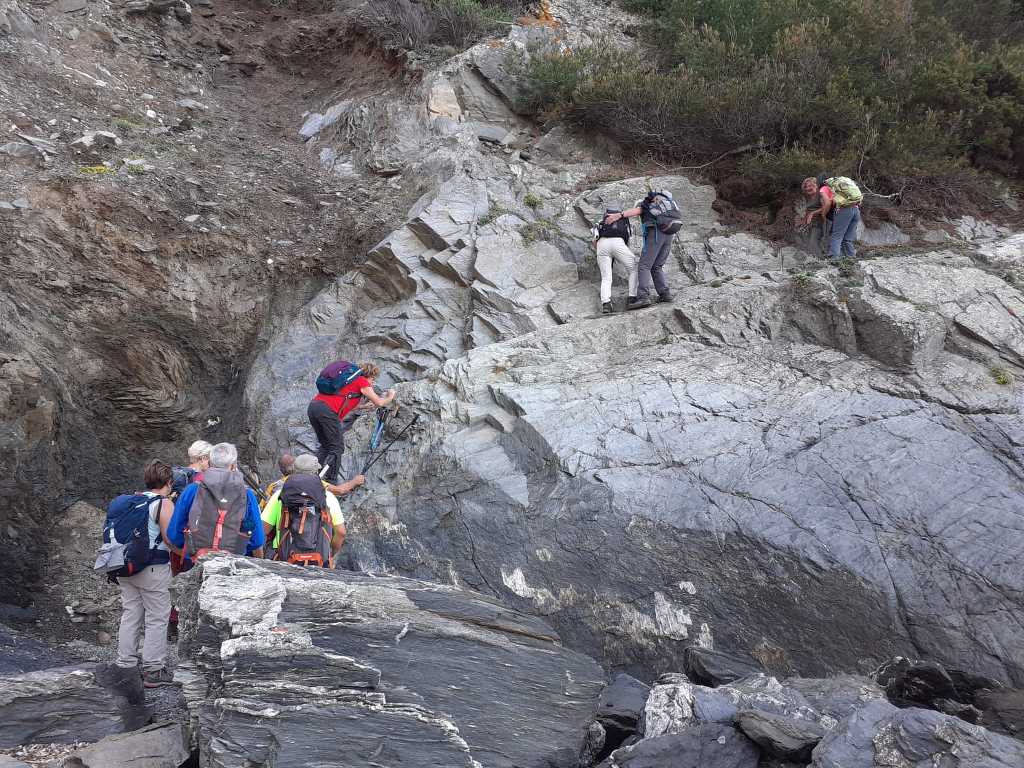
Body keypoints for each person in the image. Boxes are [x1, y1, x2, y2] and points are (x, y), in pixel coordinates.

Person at [113, 460, 178, 688]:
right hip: (154, 567)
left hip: (124, 565)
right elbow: (170, 538)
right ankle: (153, 670)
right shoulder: (163, 504)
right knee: (157, 617)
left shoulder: (131, 501)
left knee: (131, 613)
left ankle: (126, 665)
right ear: (169, 482)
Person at [167, 442, 265, 562]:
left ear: (209, 463)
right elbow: (257, 540)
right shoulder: (247, 495)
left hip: (196, 561)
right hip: (232, 564)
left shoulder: (192, 490)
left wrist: (192, 551)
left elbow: (174, 535)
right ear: (233, 466)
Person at [261, 454, 362, 566]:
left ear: (294, 471)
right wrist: (331, 554)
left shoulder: (279, 495)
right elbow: (341, 533)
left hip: (284, 558)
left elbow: (262, 532)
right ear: (316, 472)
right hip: (319, 559)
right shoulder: (328, 496)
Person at [307, 362, 395, 484]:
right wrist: (390, 396)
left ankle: (310, 474)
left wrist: (363, 407)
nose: (372, 383)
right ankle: (331, 481)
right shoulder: (362, 381)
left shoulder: (348, 383)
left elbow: (341, 402)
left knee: (326, 445)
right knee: (337, 447)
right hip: (326, 412)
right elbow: (380, 402)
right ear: (368, 376)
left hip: (314, 408)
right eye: (373, 379)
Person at [604, 190, 678, 309]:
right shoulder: (667, 207)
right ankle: (665, 294)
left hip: (656, 233)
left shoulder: (646, 205)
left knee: (644, 265)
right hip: (669, 234)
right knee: (657, 266)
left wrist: (619, 215)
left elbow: (637, 211)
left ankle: (643, 297)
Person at [591, 206, 638, 314]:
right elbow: (628, 239)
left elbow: (594, 240)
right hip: (618, 243)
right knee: (633, 269)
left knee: (606, 277)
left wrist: (601, 251)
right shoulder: (624, 221)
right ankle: (632, 298)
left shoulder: (601, 221)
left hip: (601, 244)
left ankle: (606, 304)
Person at [800, 177, 834, 257]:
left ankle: (820, 260)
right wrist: (804, 220)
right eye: (806, 187)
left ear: (815, 185)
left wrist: (813, 213)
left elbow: (825, 207)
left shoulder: (820, 194)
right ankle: (817, 258)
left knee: (814, 242)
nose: (808, 188)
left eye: (810, 186)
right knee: (810, 242)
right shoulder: (809, 198)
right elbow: (808, 211)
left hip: (819, 223)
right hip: (811, 224)